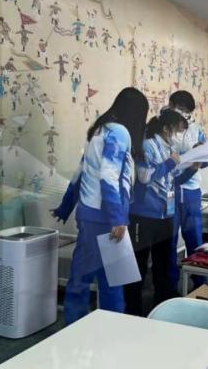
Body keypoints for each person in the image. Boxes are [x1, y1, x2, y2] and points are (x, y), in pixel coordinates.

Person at [51, 87, 149, 325]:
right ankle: (110, 330)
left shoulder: (98, 130)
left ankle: (76, 327)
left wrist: (66, 206)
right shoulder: (120, 133)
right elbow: (109, 176)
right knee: (111, 281)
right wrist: (118, 219)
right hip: (105, 218)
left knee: (82, 277)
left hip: (89, 214)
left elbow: (80, 172)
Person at [123, 109, 193, 316]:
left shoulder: (170, 148)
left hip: (166, 214)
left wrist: (192, 169)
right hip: (144, 215)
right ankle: (133, 309)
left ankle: (162, 306)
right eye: (177, 131)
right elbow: (145, 176)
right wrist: (170, 162)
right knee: (138, 264)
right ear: (166, 128)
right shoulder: (148, 145)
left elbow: (172, 180)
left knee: (163, 264)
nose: (178, 136)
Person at [166, 91, 208, 293]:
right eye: (180, 109)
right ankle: (169, 287)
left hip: (192, 192)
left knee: (195, 239)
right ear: (171, 105)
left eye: (187, 111)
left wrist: (201, 154)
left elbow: (206, 159)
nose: (184, 114)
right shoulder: (162, 127)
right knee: (169, 242)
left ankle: (201, 284)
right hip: (169, 192)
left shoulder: (196, 128)